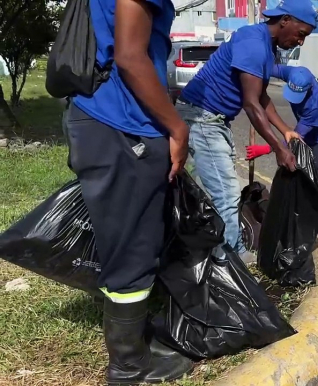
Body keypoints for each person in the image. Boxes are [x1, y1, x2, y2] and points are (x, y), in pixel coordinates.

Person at [65, 0, 193, 383]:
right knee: (133, 246)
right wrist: (177, 127)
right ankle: (128, 365)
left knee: (129, 237)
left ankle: (134, 344)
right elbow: (130, 56)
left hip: (100, 118)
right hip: (123, 124)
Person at [176, 0, 317, 264]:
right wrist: (279, 149)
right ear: (285, 20)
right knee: (226, 194)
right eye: (301, 34)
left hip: (214, 121)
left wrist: (286, 130)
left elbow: (262, 97)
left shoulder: (266, 46)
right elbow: (251, 104)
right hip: (201, 118)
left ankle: (209, 249)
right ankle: (233, 259)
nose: (301, 42)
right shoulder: (253, 42)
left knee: (210, 191)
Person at [245, 65, 318, 247]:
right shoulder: (295, 73)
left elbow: (292, 138)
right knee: (293, 179)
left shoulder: (315, 107)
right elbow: (270, 68)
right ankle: (296, 222)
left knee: (314, 186)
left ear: (308, 89)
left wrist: (264, 149)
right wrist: (254, 74)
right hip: (303, 135)